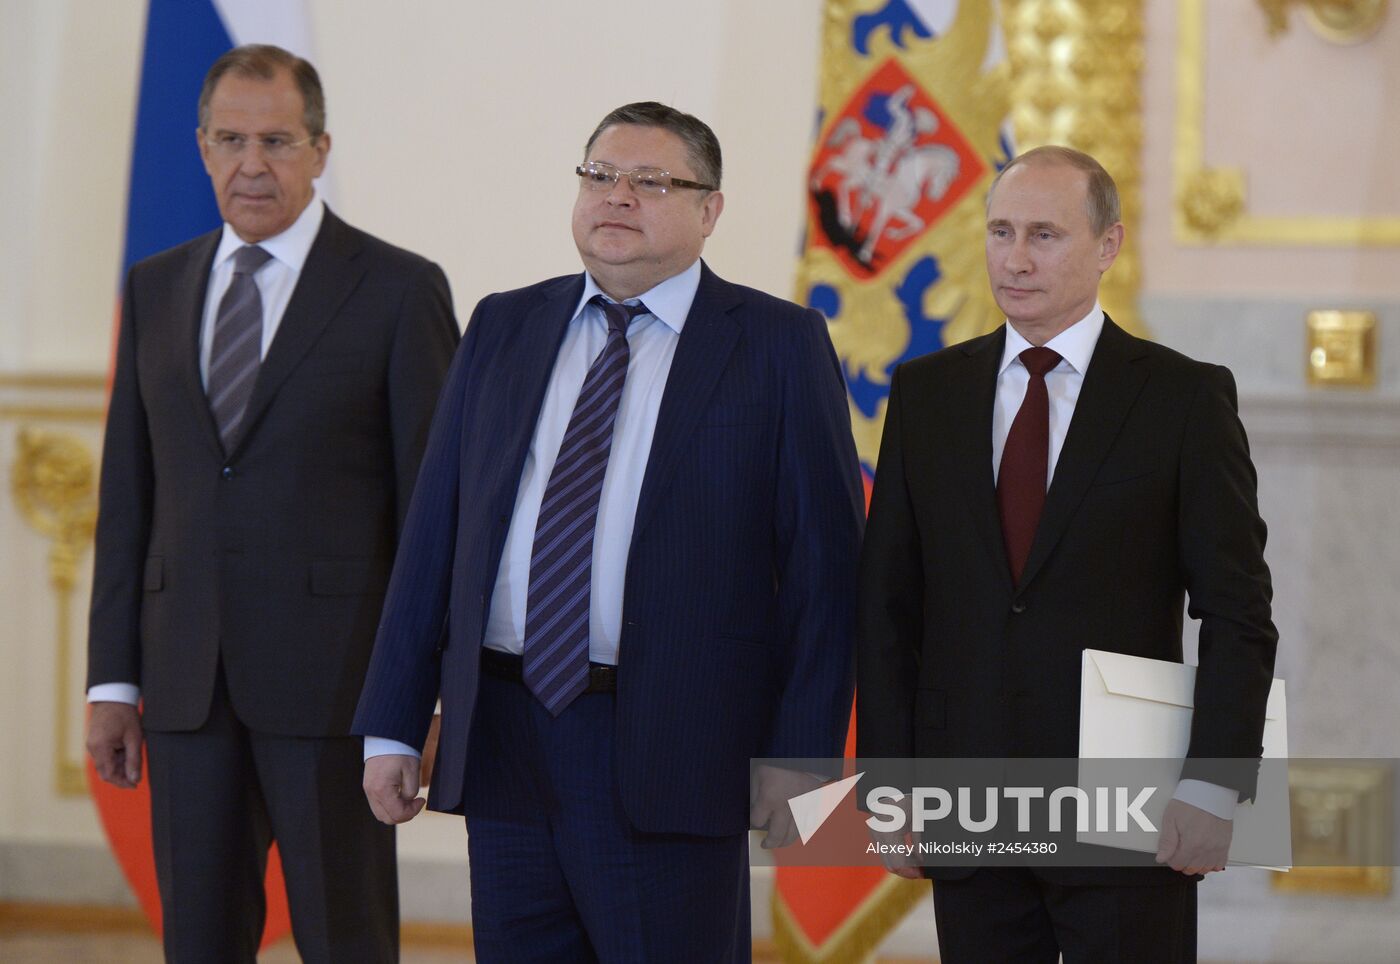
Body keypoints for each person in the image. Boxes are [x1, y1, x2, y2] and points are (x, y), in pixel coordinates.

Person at [352, 101, 863, 961]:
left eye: (652, 181)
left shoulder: (776, 344)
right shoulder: (504, 324)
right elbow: (436, 536)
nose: (617, 196)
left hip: (674, 747)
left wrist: (801, 768)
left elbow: (826, 576)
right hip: (507, 735)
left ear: (710, 211)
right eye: (599, 175)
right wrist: (395, 724)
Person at [856, 145, 1278, 962]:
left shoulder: (1183, 398)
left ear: (1108, 246)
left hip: (1131, 804)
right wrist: (889, 784)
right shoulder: (926, 393)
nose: (1015, 259)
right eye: (1001, 231)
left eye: (1044, 235)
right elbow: (886, 608)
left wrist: (1215, 782)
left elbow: (1237, 611)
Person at [84, 44, 459, 963]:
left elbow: (434, 513)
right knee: (200, 941)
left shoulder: (399, 289)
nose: (253, 163)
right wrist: (112, 681)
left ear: (322, 149)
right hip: (183, 688)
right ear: (202, 148)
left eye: (278, 140)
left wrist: (424, 694)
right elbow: (129, 498)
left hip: (339, 692)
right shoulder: (156, 286)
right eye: (231, 139)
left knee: (346, 938)